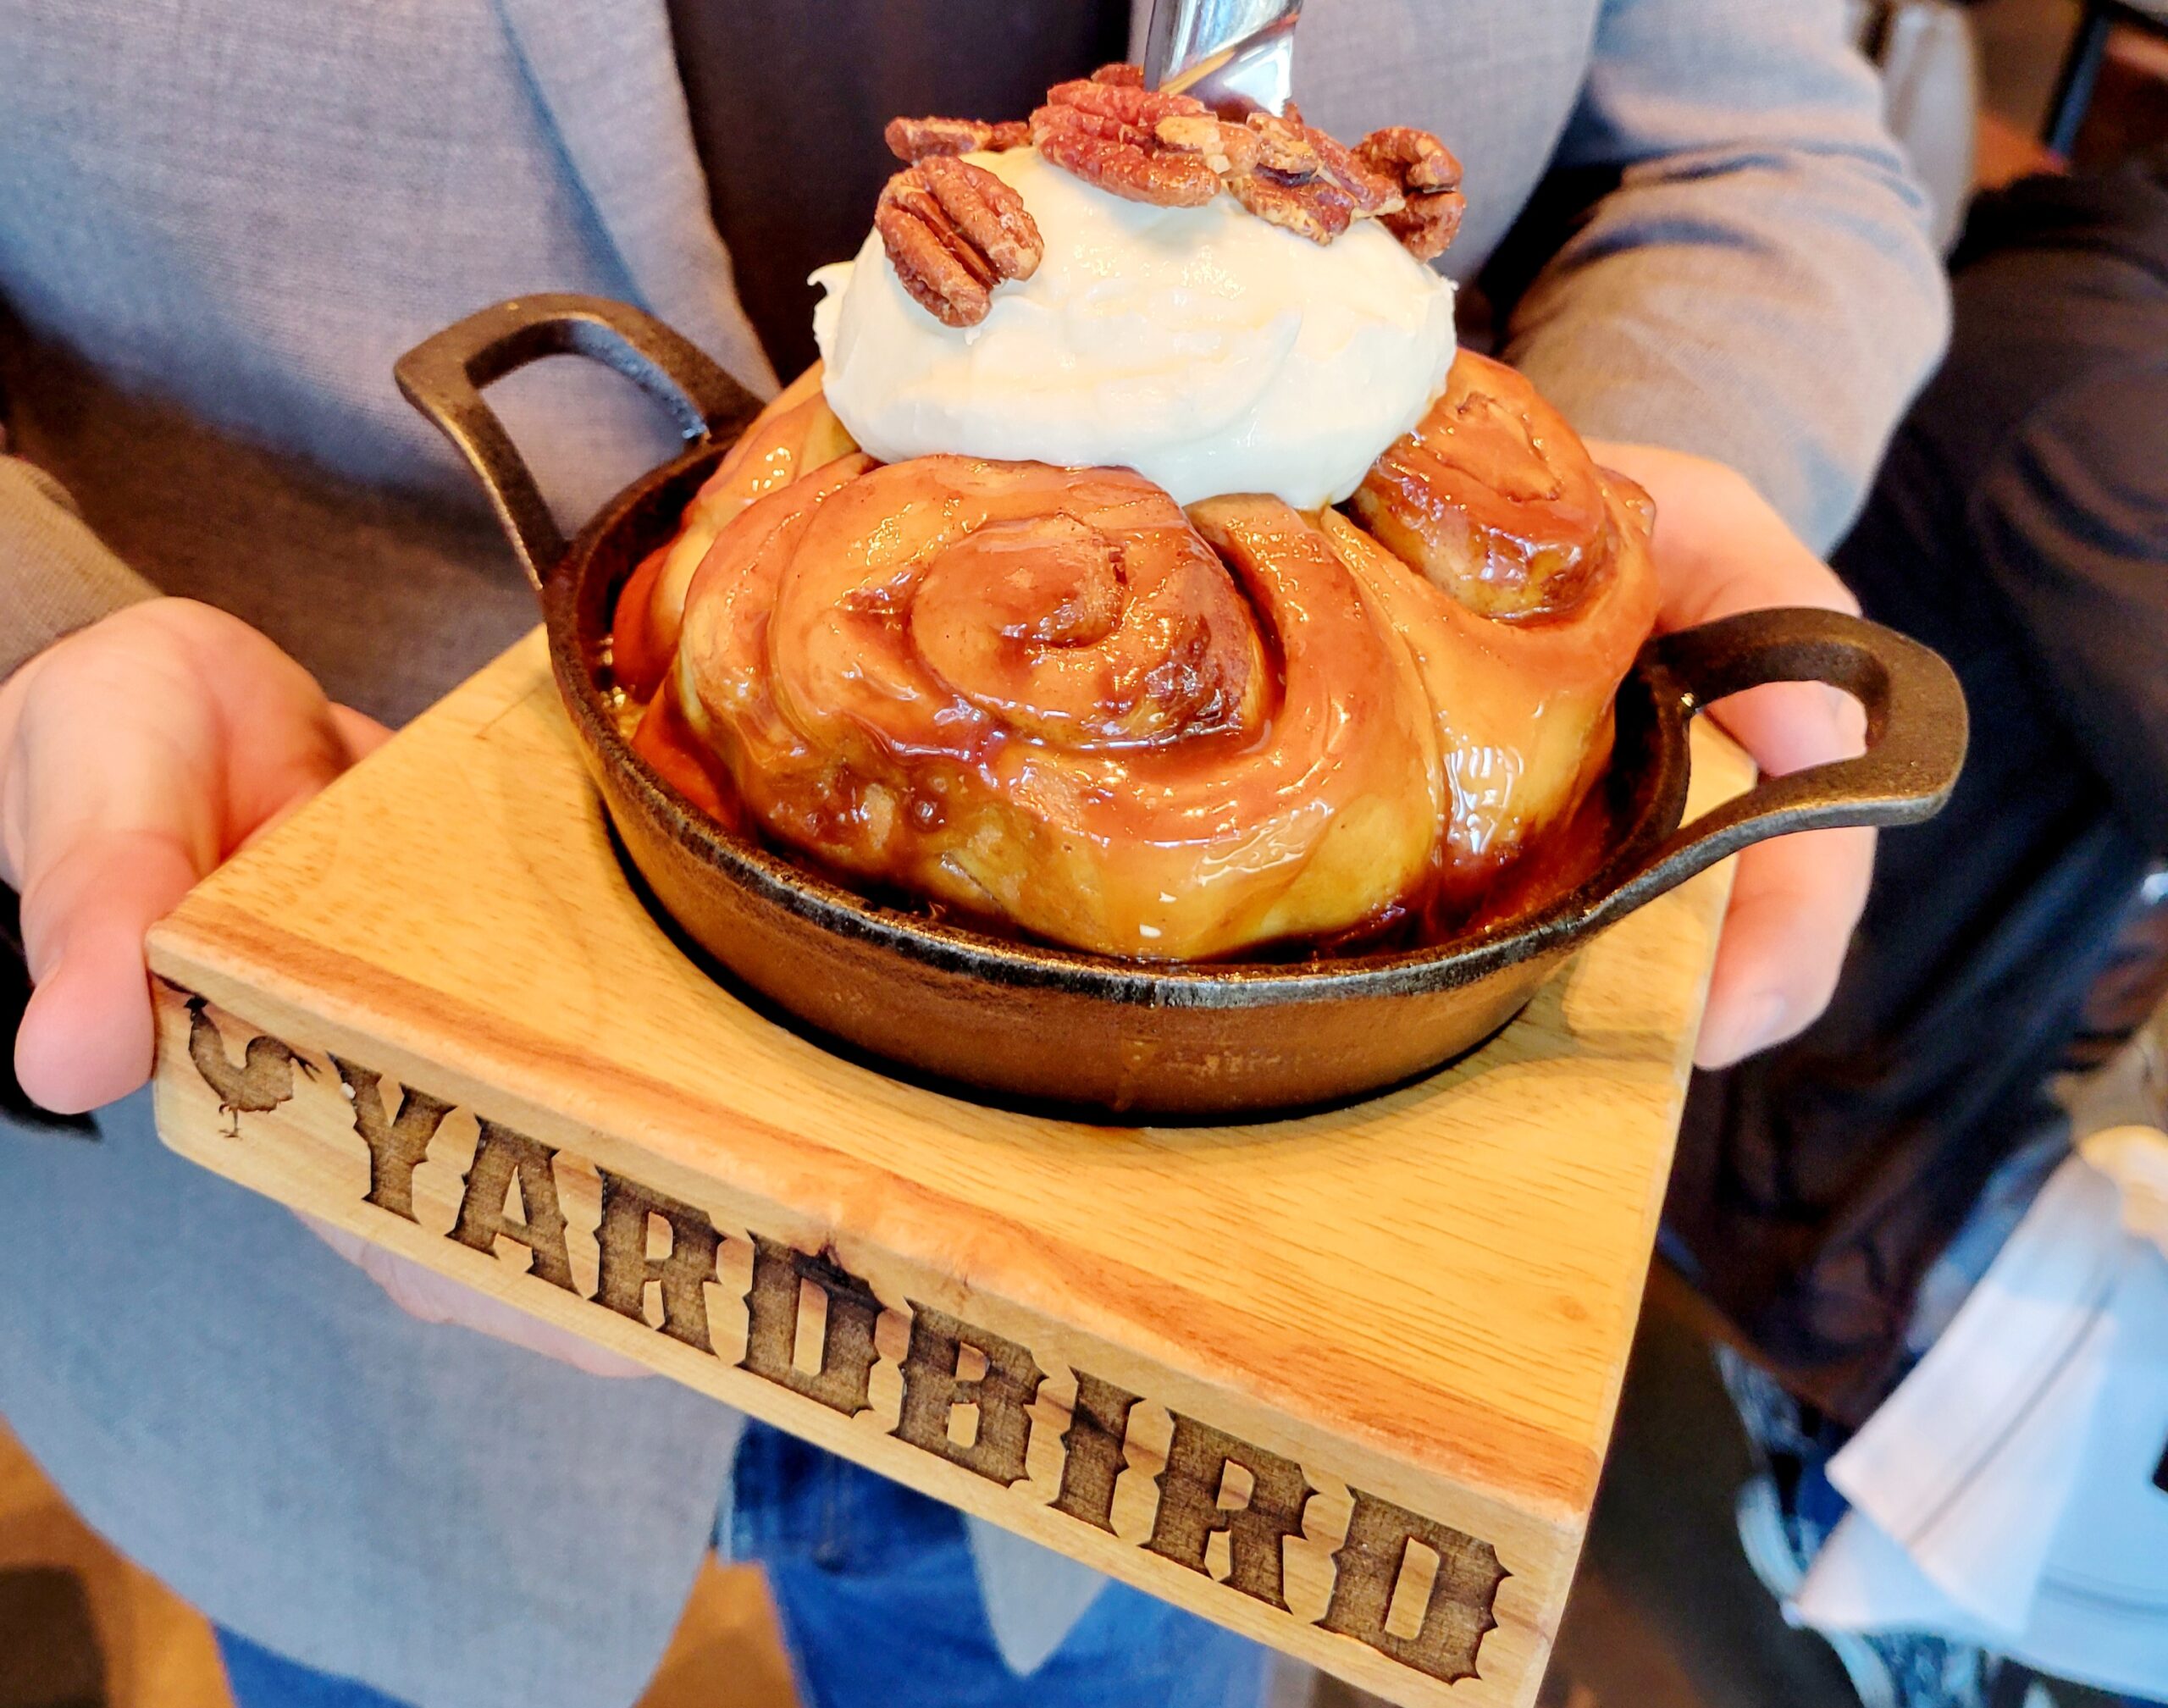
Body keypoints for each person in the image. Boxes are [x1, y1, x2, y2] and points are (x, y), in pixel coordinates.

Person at [0, 3, 1945, 1705]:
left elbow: (1764, 154)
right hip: (334, 1245)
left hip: (1200, 1349)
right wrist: (41, 640)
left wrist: (1585, 544)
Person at [1670, 145, 2168, 1708]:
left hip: (1948, 1023)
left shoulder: (2101, 314)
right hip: (1822, 1099)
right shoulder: (2107, 406)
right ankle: (1842, 1478)